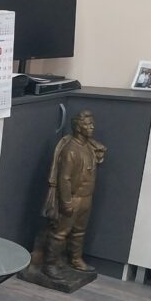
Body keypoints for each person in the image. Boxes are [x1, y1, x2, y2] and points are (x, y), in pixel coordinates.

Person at [42, 110, 106, 279]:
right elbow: (64, 178)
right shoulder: (71, 150)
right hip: (73, 198)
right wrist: (66, 202)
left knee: (79, 231)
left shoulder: (89, 146)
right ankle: (50, 265)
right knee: (60, 233)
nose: (92, 127)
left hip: (86, 198)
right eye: (87, 124)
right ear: (78, 127)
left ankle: (76, 260)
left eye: (92, 123)